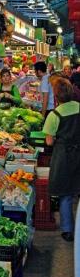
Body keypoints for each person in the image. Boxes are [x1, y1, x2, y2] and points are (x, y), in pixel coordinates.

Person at [43, 78, 80, 242]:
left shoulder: (54, 114)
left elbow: (49, 141)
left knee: (65, 194)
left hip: (64, 156)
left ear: (56, 96)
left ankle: (68, 230)